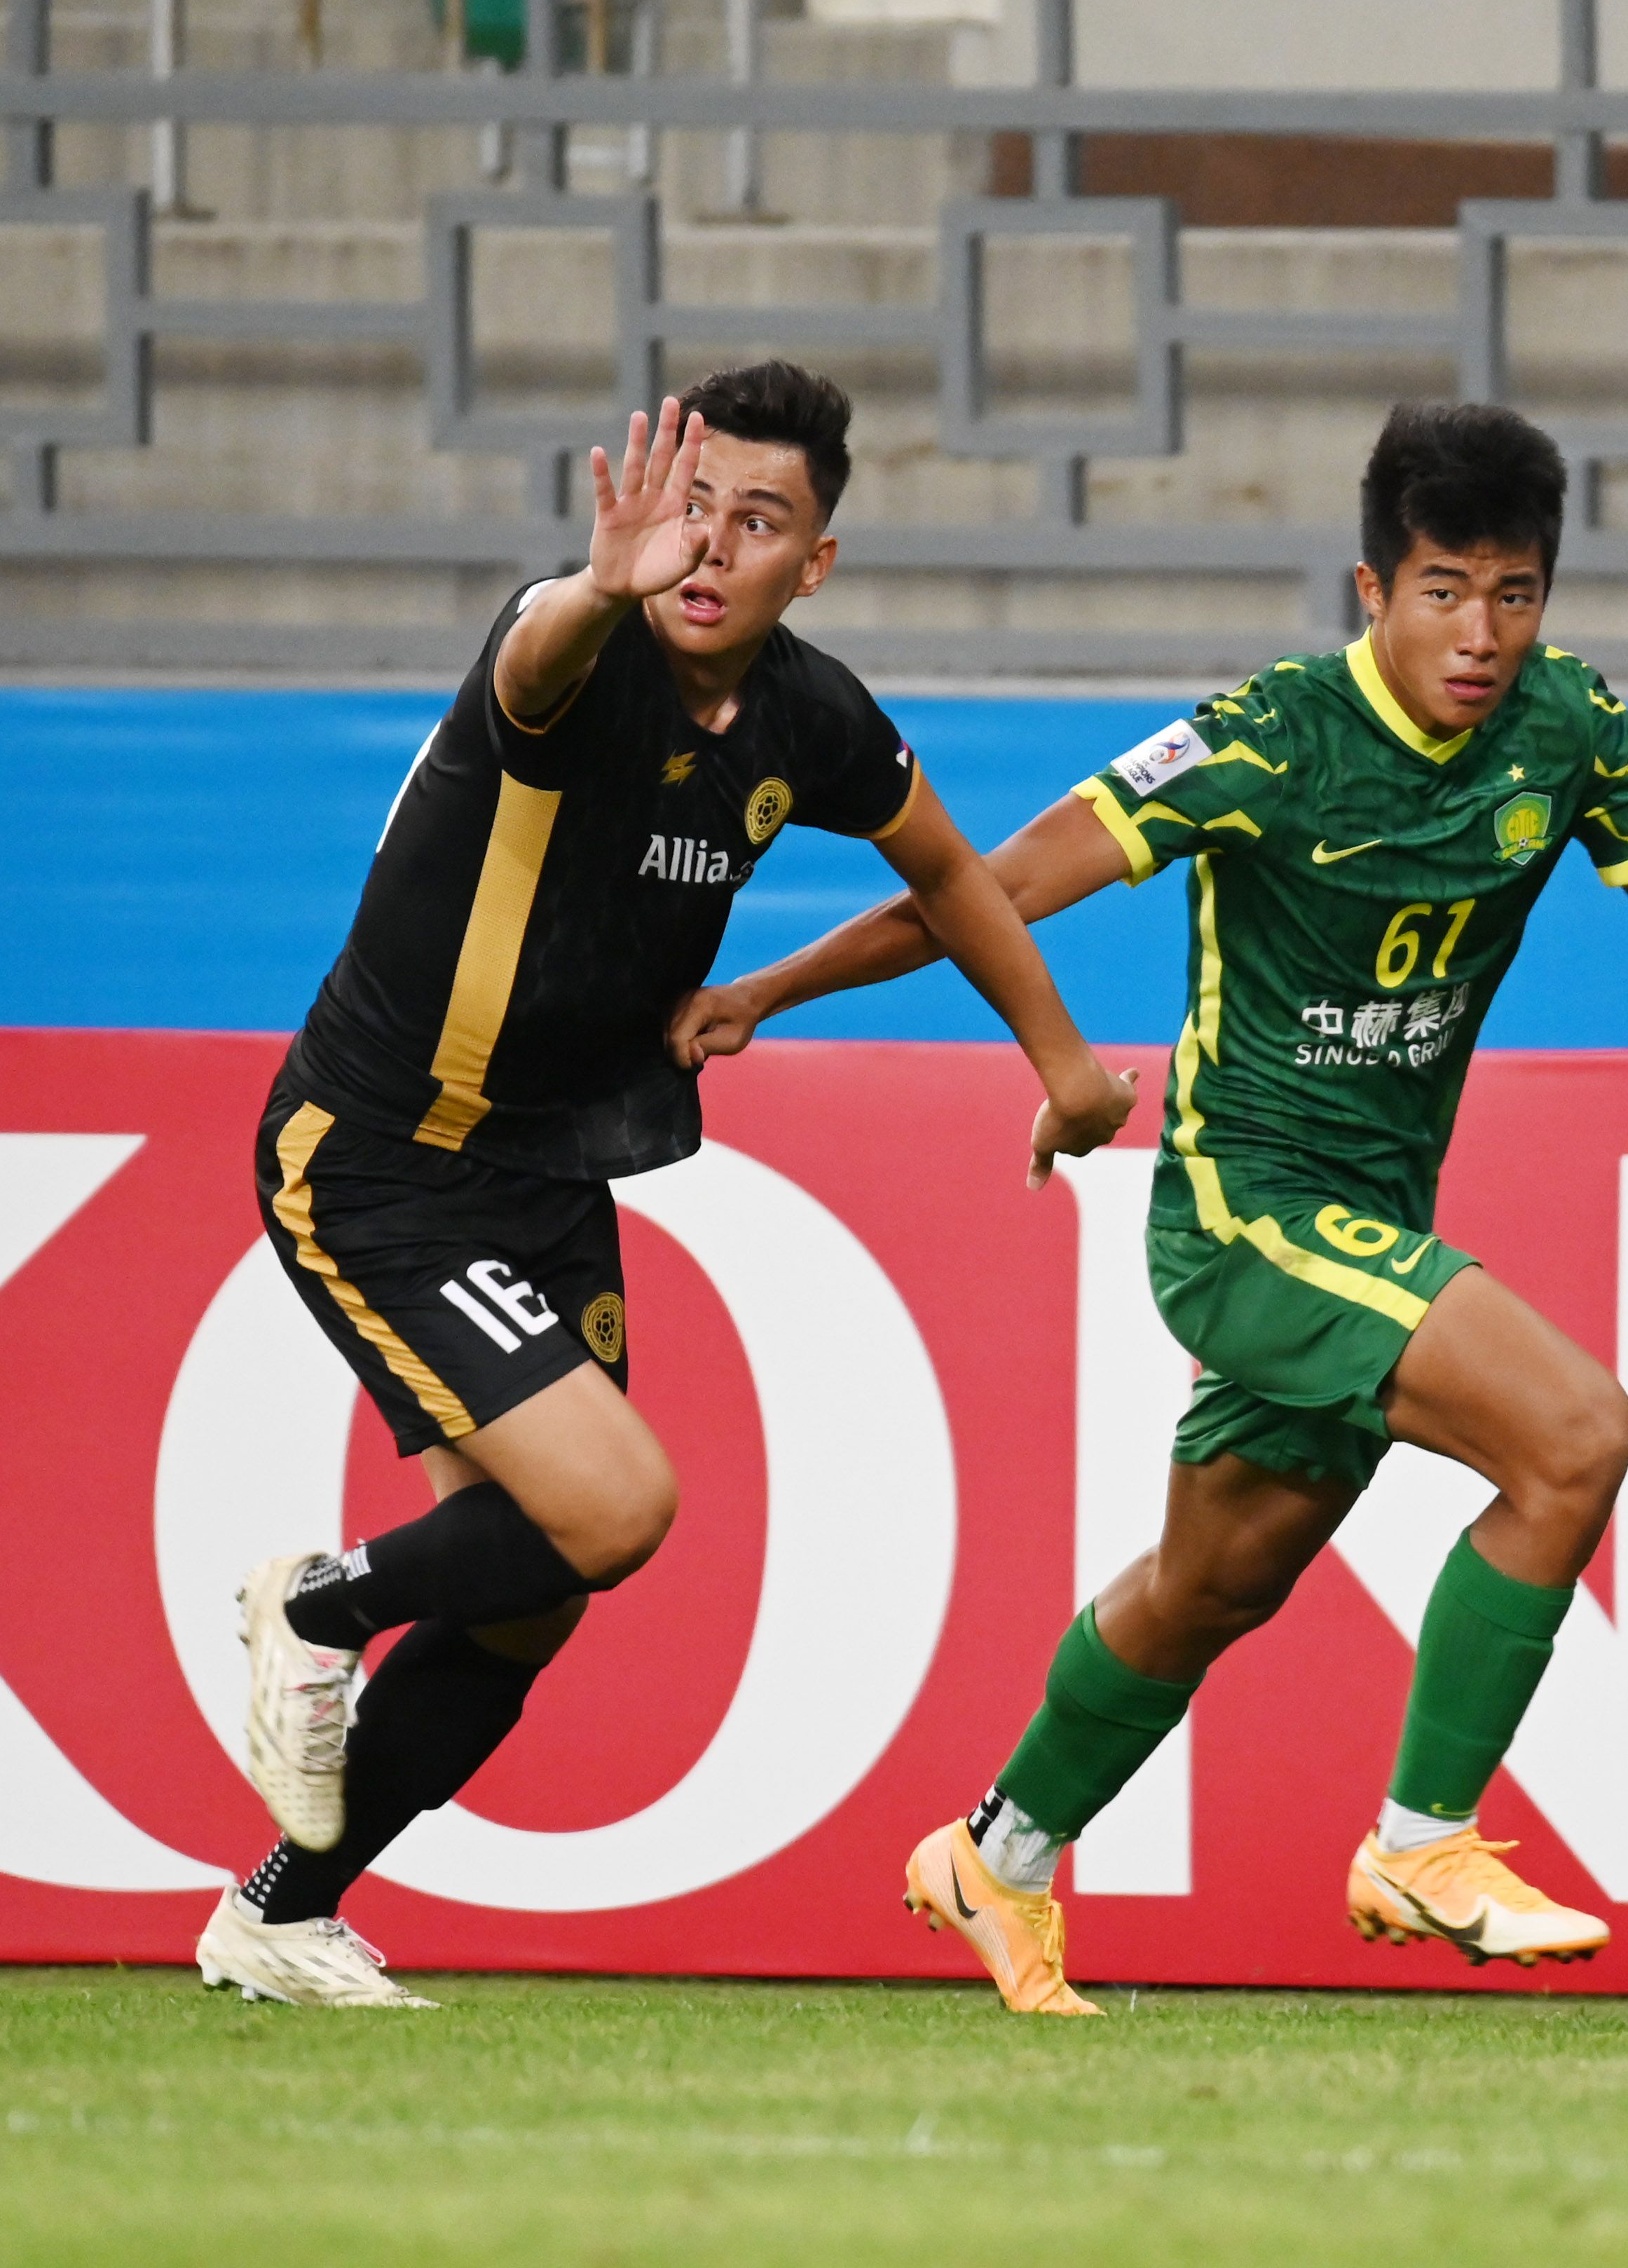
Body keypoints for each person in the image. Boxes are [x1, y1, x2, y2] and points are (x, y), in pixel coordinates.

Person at [669, 402, 1628, 2015]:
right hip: (1247, 1215)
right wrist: (769, 990)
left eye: (1514, 595)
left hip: (1375, 1223)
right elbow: (991, 884)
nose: (1481, 635)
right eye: (1444, 591)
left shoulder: (1571, 727)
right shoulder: (1267, 739)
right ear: (1373, 590)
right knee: (1576, 1432)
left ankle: (993, 1856)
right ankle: (1424, 1842)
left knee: (1211, 1584)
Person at [198, 361, 1139, 2009]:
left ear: (814, 564)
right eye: (692, 506)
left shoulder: (810, 716)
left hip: (551, 1165)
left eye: (757, 521)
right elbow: (534, 645)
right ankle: (318, 1605)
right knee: (618, 1506)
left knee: (533, 1592)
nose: (709, 547)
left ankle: (281, 1911)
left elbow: (949, 872)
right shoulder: (572, 649)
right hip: (382, 1155)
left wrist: (1060, 1059)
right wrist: (591, 583)